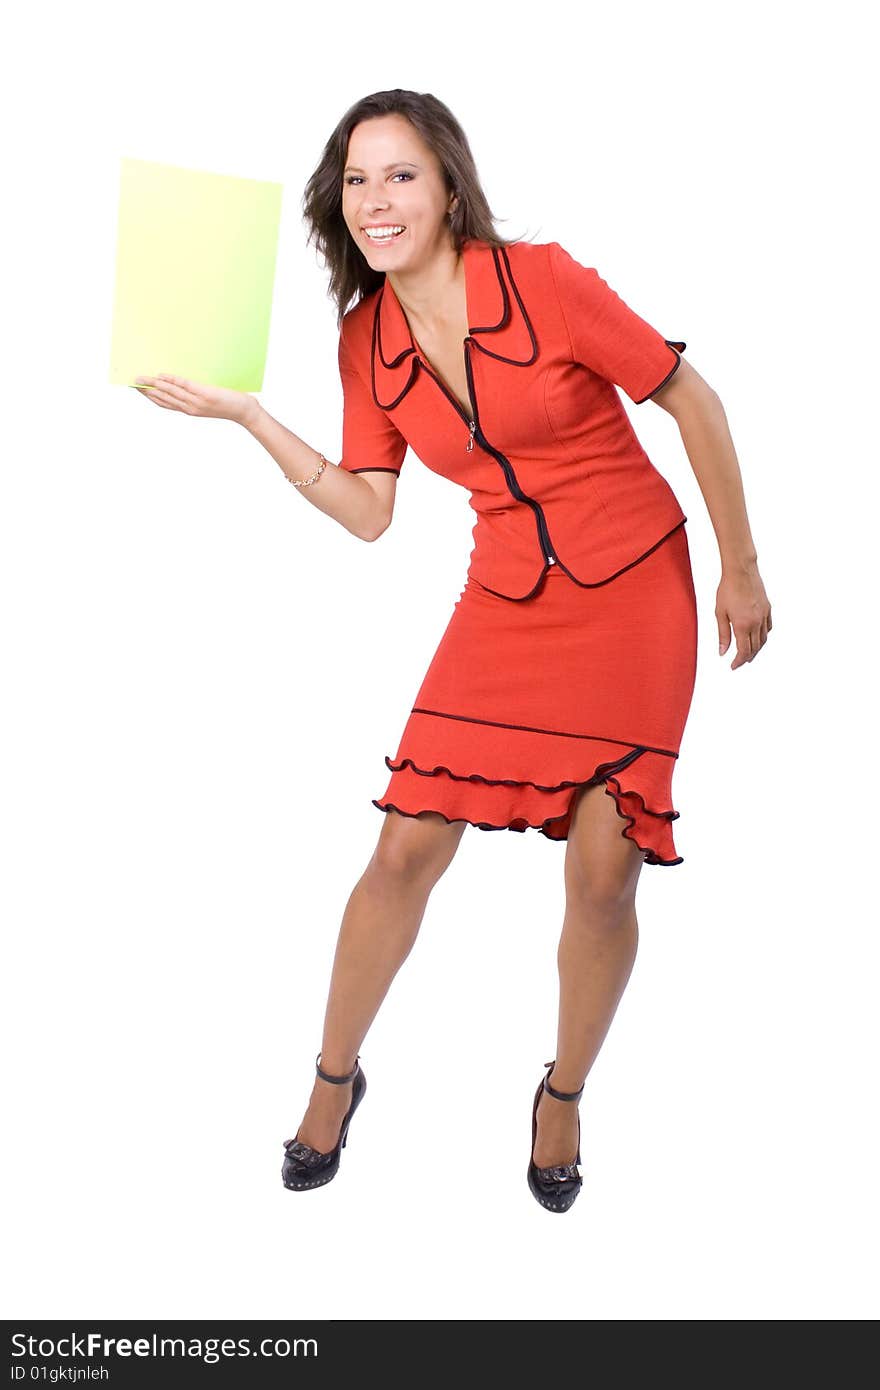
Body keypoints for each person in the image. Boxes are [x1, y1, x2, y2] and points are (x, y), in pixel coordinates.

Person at [133, 89, 772, 1214]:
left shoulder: (545, 282)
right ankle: (334, 1079)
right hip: (503, 603)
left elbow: (693, 401)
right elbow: (370, 508)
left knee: (605, 873)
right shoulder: (365, 339)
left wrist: (740, 566)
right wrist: (247, 416)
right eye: (357, 179)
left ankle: (562, 1092)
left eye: (401, 175)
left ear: (449, 187)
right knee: (401, 852)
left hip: (634, 590)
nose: (377, 201)